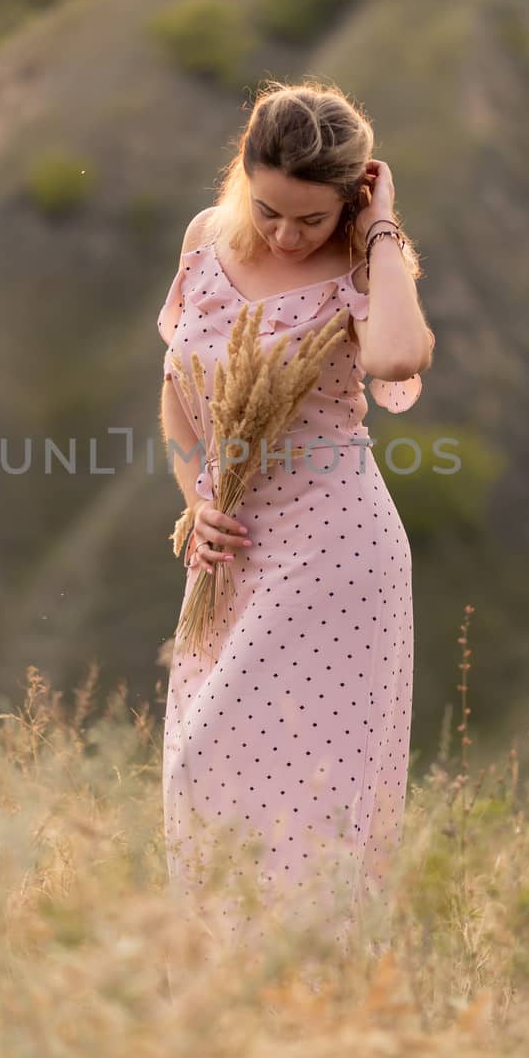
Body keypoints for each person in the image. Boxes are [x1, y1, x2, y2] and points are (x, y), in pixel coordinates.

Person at [156, 79, 435, 963]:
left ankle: (309, 988)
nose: (285, 235)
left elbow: (396, 356)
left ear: (351, 198)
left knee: (312, 800)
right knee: (202, 775)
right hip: (229, 557)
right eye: (271, 210)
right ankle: (222, 990)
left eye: (309, 220)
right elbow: (176, 399)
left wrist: (380, 225)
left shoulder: (362, 267)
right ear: (243, 173)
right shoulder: (205, 243)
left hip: (335, 558)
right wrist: (198, 499)